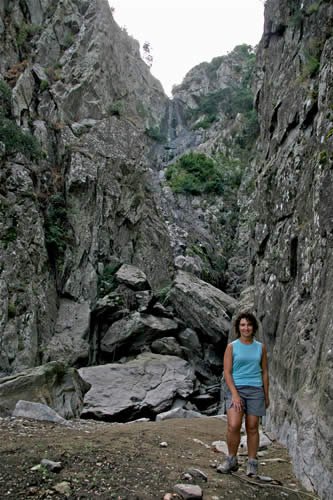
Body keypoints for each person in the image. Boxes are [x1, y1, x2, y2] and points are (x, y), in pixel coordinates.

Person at [217, 311, 269, 477]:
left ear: (253, 327)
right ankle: (231, 460)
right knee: (233, 425)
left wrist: (266, 395)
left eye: (249, 325)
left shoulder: (260, 347)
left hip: (256, 390)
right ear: (238, 328)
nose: (246, 328)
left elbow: (265, 372)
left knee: (252, 427)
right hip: (236, 389)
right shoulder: (232, 346)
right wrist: (235, 395)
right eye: (242, 325)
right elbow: (227, 372)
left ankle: (252, 463)